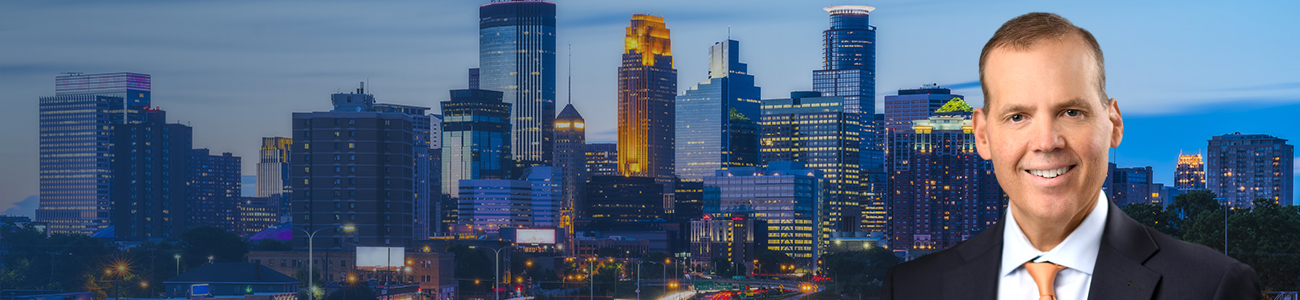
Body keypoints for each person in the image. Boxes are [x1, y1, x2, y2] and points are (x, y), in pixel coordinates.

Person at [880, 12, 1261, 300]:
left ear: (1113, 123)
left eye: (1071, 112)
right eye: (1018, 116)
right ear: (982, 135)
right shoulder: (913, 288)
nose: (1047, 141)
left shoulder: (1212, 287)